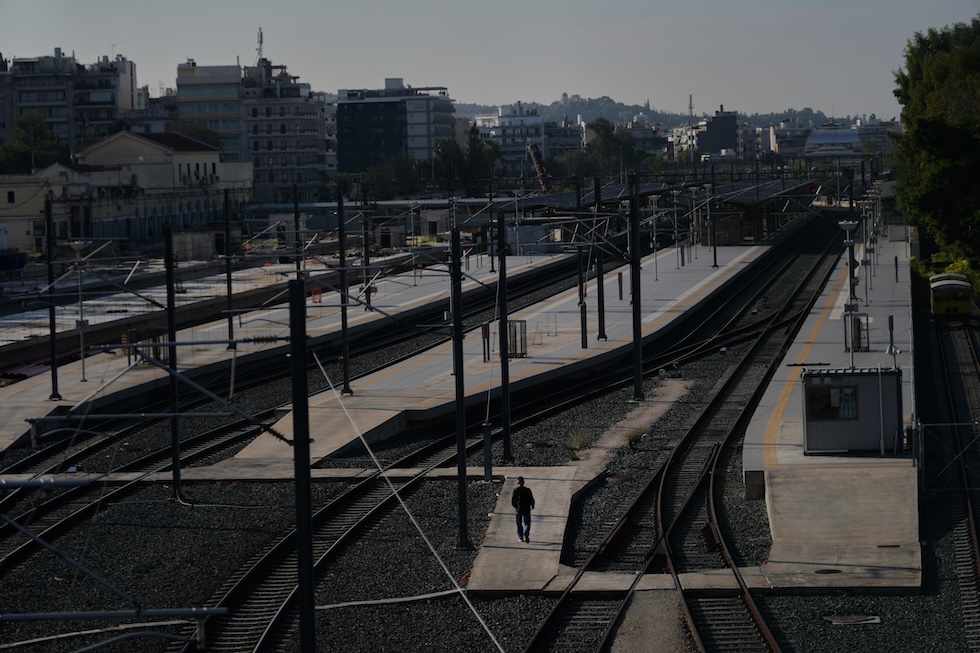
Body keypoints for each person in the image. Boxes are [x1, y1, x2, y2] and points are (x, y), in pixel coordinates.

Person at [511, 476, 535, 543]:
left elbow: (513, 500)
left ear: (518, 482)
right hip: (527, 509)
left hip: (518, 509)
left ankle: (520, 537)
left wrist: (515, 507)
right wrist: (532, 505)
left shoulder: (516, 490)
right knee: (527, 523)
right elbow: (531, 499)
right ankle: (526, 531)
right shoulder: (527, 490)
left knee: (519, 523)